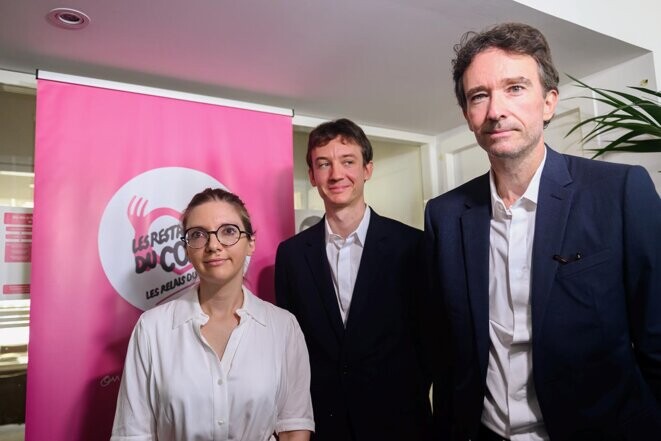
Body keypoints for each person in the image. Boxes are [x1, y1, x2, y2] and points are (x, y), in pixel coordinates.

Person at [424, 22, 661, 440]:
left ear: (549, 102)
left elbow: (657, 341)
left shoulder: (621, 192)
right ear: (467, 116)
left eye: (515, 88)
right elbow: (446, 350)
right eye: (480, 95)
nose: (496, 109)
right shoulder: (444, 215)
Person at [111, 188, 314, 441]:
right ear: (186, 249)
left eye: (228, 231)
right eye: (198, 235)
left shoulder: (284, 327)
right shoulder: (152, 328)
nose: (213, 245)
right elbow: (133, 434)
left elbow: (294, 427)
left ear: (250, 243)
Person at [275, 118, 432, 441]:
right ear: (312, 176)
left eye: (348, 161)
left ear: (367, 169)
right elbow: (289, 347)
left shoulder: (413, 246)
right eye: (324, 164)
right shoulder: (290, 256)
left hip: (400, 423)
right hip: (322, 424)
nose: (336, 174)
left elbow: (432, 341)